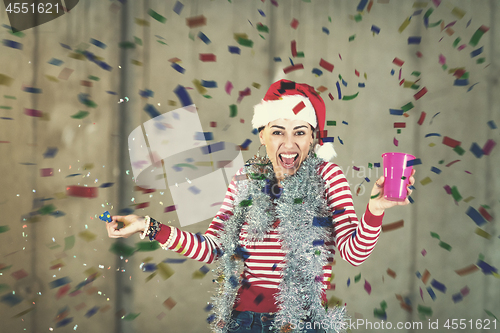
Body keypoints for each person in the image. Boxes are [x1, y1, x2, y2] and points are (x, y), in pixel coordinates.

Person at [106, 79, 416, 333]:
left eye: (300, 132)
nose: (289, 143)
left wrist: (375, 210)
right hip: (242, 323)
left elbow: (353, 254)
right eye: (278, 131)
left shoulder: (328, 176)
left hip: (302, 324)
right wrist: (148, 226)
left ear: (313, 139)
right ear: (262, 135)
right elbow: (214, 247)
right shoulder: (245, 180)